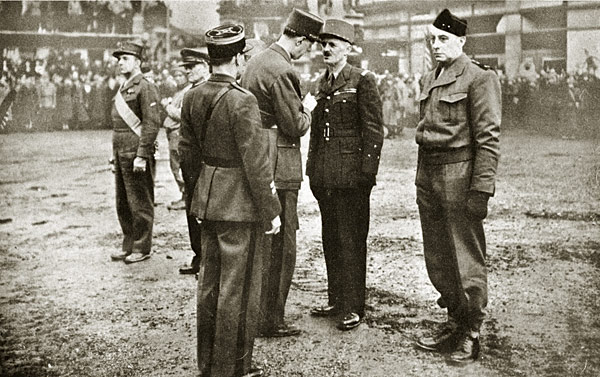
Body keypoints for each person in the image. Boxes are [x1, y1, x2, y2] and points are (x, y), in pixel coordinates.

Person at [180, 24, 282, 377]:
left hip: (207, 202)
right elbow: (256, 163)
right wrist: (271, 211)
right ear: (238, 58)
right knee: (237, 291)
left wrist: (199, 197)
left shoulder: (192, 96)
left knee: (209, 286)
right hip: (239, 207)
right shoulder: (243, 100)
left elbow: (187, 155)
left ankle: (208, 365)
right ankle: (234, 369)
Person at [414, 9, 501, 364]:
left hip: (459, 174)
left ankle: (472, 331)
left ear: (461, 41)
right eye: (432, 39)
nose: (436, 46)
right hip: (429, 173)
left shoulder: (479, 77)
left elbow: (489, 138)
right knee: (438, 256)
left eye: (443, 39)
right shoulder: (431, 77)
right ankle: (454, 320)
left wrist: (481, 190)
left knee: (465, 257)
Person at [240, 7, 323, 338]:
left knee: (261, 241)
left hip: (258, 157)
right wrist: (309, 110)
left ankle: (256, 313)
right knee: (283, 243)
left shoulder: (257, 61)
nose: (309, 52)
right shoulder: (282, 69)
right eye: (310, 46)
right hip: (279, 161)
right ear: (301, 41)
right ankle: (271, 319)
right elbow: (294, 124)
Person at [306, 19, 384, 331]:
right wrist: (312, 170)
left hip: (352, 177)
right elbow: (315, 133)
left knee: (351, 239)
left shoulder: (362, 80)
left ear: (348, 49)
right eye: (323, 44)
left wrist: (367, 173)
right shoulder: (321, 83)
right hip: (325, 177)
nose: (326, 49)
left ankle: (354, 306)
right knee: (331, 238)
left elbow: (374, 131)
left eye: (333, 44)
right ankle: (336, 298)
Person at [109, 40, 161, 264]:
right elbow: (117, 125)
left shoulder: (145, 86)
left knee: (139, 201)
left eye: (125, 59)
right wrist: (114, 154)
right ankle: (128, 243)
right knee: (123, 202)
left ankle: (142, 246)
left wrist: (142, 155)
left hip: (136, 152)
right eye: (119, 59)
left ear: (138, 62)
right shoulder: (123, 87)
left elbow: (151, 124)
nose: (120, 63)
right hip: (122, 151)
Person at [176, 47, 210, 275]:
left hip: (204, 163)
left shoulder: (209, 91)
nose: (187, 71)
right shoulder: (190, 92)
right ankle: (199, 256)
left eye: (192, 67)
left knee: (204, 211)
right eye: (185, 68)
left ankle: (207, 260)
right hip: (189, 163)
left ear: (206, 66)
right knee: (191, 211)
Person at [162, 66, 190, 212]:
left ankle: (186, 196)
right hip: (172, 131)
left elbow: (180, 115)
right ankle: (184, 194)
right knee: (175, 165)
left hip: (178, 132)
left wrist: (167, 106)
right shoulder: (179, 91)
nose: (178, 78)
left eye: (180, 75)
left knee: (177, 165)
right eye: (176, 76)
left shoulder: (187, 92)